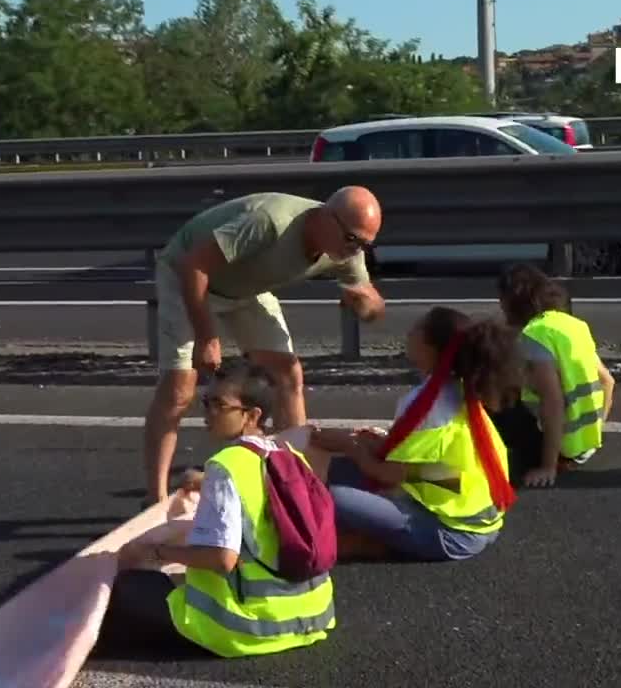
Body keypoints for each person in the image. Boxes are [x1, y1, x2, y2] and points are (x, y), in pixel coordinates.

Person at [140, 188, 385, 506]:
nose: (355, 250)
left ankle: (292, 484)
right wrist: (206, 336)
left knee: (288, 374)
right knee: (179, 389)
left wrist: (367, 307)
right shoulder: (270, 221)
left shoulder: (347, 249)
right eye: (352, 239)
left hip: (245, 288)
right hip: (188, 277)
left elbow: (371, 302)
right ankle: (156, 497)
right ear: (327, 217)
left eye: (365, 244)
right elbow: (194, 266)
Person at [107, 362, 336, 658]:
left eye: (219, 405)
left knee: (127, 588)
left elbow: (221, 559)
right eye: (206, 402)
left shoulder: (226, 466)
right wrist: (204, 481)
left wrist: (157, 553)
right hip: (311, 616)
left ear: (252, 415)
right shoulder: (289, 455)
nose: (207, 413)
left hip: (247, 627)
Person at [311, 306, 520, 562]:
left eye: (416, 329)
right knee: (348, 472)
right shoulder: (458, 391)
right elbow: (432, 470)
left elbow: (388, 474)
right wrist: (372, 443)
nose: (408, 333)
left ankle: (377, 544)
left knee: (335, 496)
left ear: (431, 348)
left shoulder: (427, 405)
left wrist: (350, 446)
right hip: (480, 522)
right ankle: (379, 539)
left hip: (453, 533)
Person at [492, 262, 614, 488]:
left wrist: (548, 467)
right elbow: (608, 381)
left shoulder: (535, 334)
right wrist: (593, 433)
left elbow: (553, 402)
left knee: (490, 392)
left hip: (561, 450)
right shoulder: (573, 325)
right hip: (585, 446)